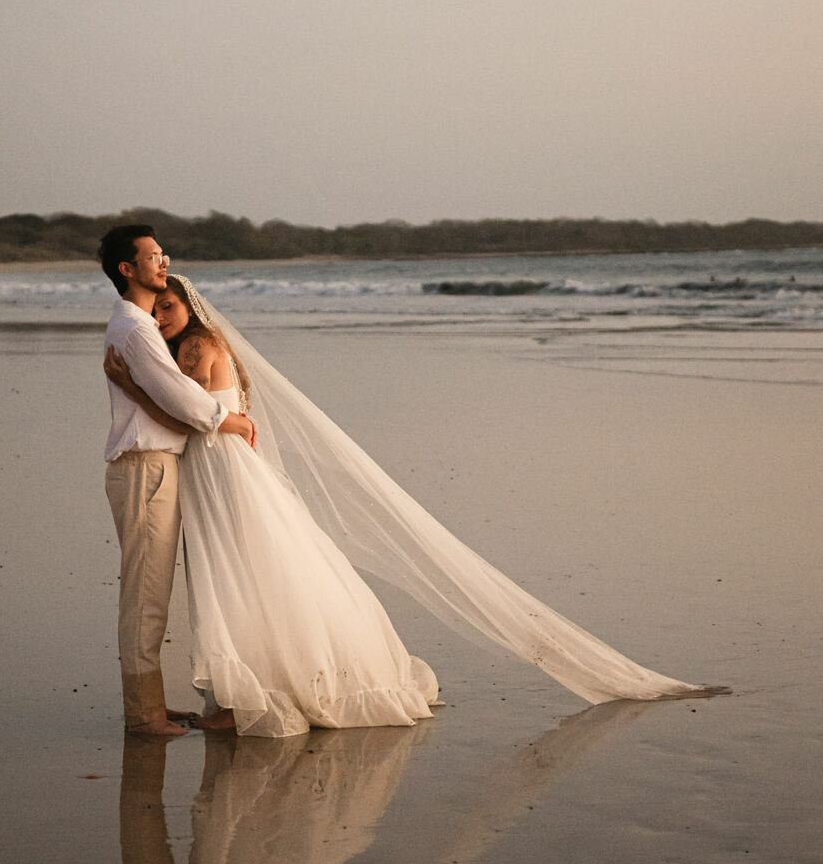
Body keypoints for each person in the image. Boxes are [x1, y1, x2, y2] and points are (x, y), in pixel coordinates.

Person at [105, 273, 720, 738]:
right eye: (156, 308)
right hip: (220, 465)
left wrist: (134, 385)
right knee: (246, 571)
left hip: (219, 468)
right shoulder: (200, 343)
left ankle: (255, 691)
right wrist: (225, 417)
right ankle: (242, 691)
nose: (161, 318)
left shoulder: (193, 347)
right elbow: (212, 415)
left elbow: (192, 416)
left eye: (169, 306)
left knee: (241, 571)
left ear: (189, 305)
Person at [98, 226, 256, 739]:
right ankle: (144, 714)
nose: (163, 262)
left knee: (152, 592)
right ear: (128, 269)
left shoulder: (138, 325)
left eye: (164, 255)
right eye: (153, 257)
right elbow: (178, 398)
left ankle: (153, 706)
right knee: (146, 595)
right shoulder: (137, 329)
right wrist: (227, 419)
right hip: (146, 464)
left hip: (154, 464)